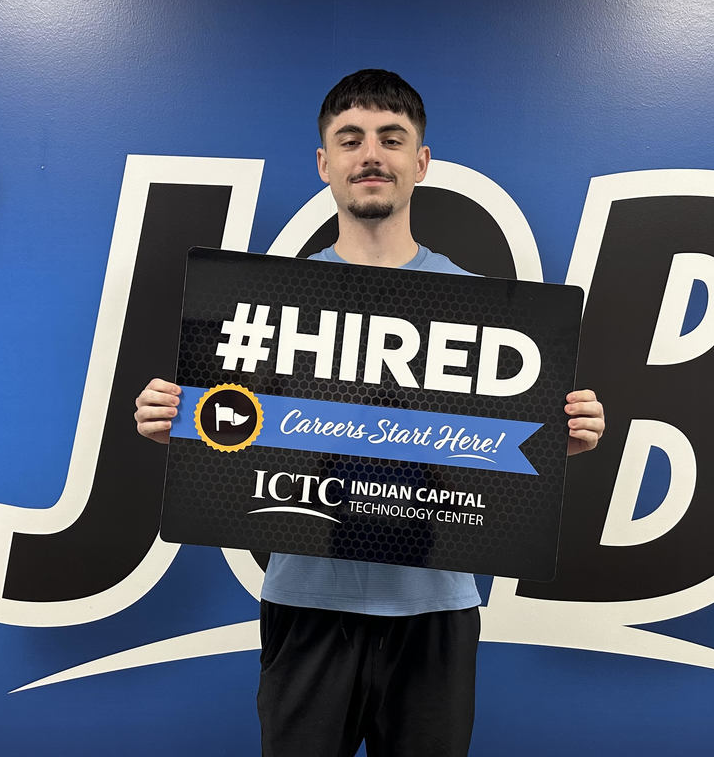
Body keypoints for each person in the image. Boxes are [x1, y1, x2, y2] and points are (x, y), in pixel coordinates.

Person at [134, 69, 605, 757]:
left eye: (391, 137)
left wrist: (561, 437)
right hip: (307, 606)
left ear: (421, 162)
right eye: (349, 139)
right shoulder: (268, 311)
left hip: (436, 613)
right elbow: (234, 436)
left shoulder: (486, 316)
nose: (370, 155)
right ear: (325, 163)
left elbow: (503, 460)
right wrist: (176, 419)